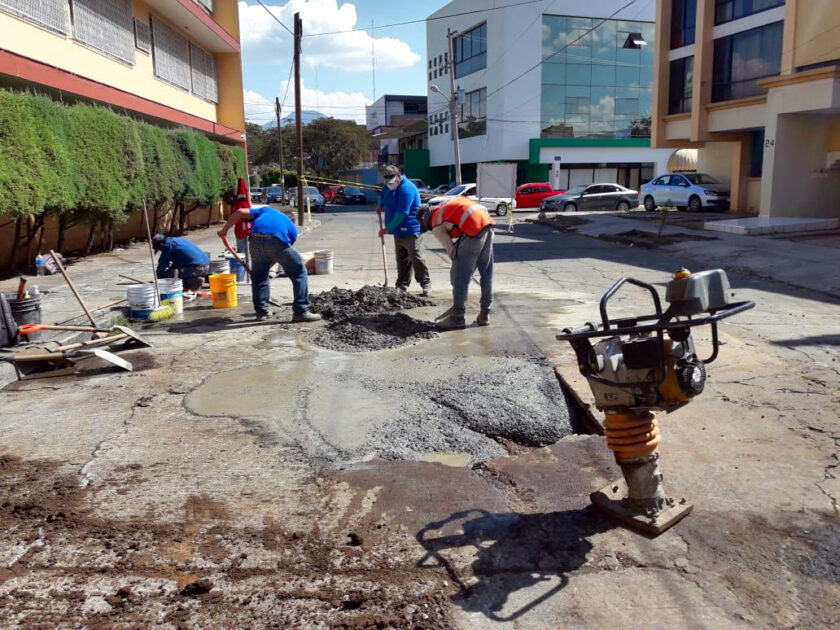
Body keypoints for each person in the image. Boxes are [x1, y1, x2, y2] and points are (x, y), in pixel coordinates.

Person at [217, 205, 321, 323]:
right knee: (299, 272)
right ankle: (301, 311)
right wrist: (273, 259)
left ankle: (262, 312)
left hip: (254, 240)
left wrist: (224, 231)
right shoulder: (291, 226)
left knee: (259, 276)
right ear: (292, 219)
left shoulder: (266, 210)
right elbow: (282, 250)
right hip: (276, 241)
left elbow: (240, 211)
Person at [416, 197, 495, 330]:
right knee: (487, 274)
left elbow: (452, 253)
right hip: (487, 225)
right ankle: (485, 314)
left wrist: (462, 267)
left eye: (421, 223)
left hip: (473, 230)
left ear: (424, 218)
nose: (424, 226)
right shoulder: (445, 205)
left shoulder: (436, 223)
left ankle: (457, 317)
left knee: (460, 277)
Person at [376, 165, 432, 296]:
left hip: (412, 229)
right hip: (398, 230)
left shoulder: (406, 189)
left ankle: (426, 283)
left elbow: (402, 213)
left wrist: (387, 229)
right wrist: (380, 204)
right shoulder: (388, 185)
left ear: (398, 176)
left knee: (416, 257)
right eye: (387, 183)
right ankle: (401, 286)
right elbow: (383, 195)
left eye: (391, 182)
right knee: (401, 259)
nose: (389, 185)